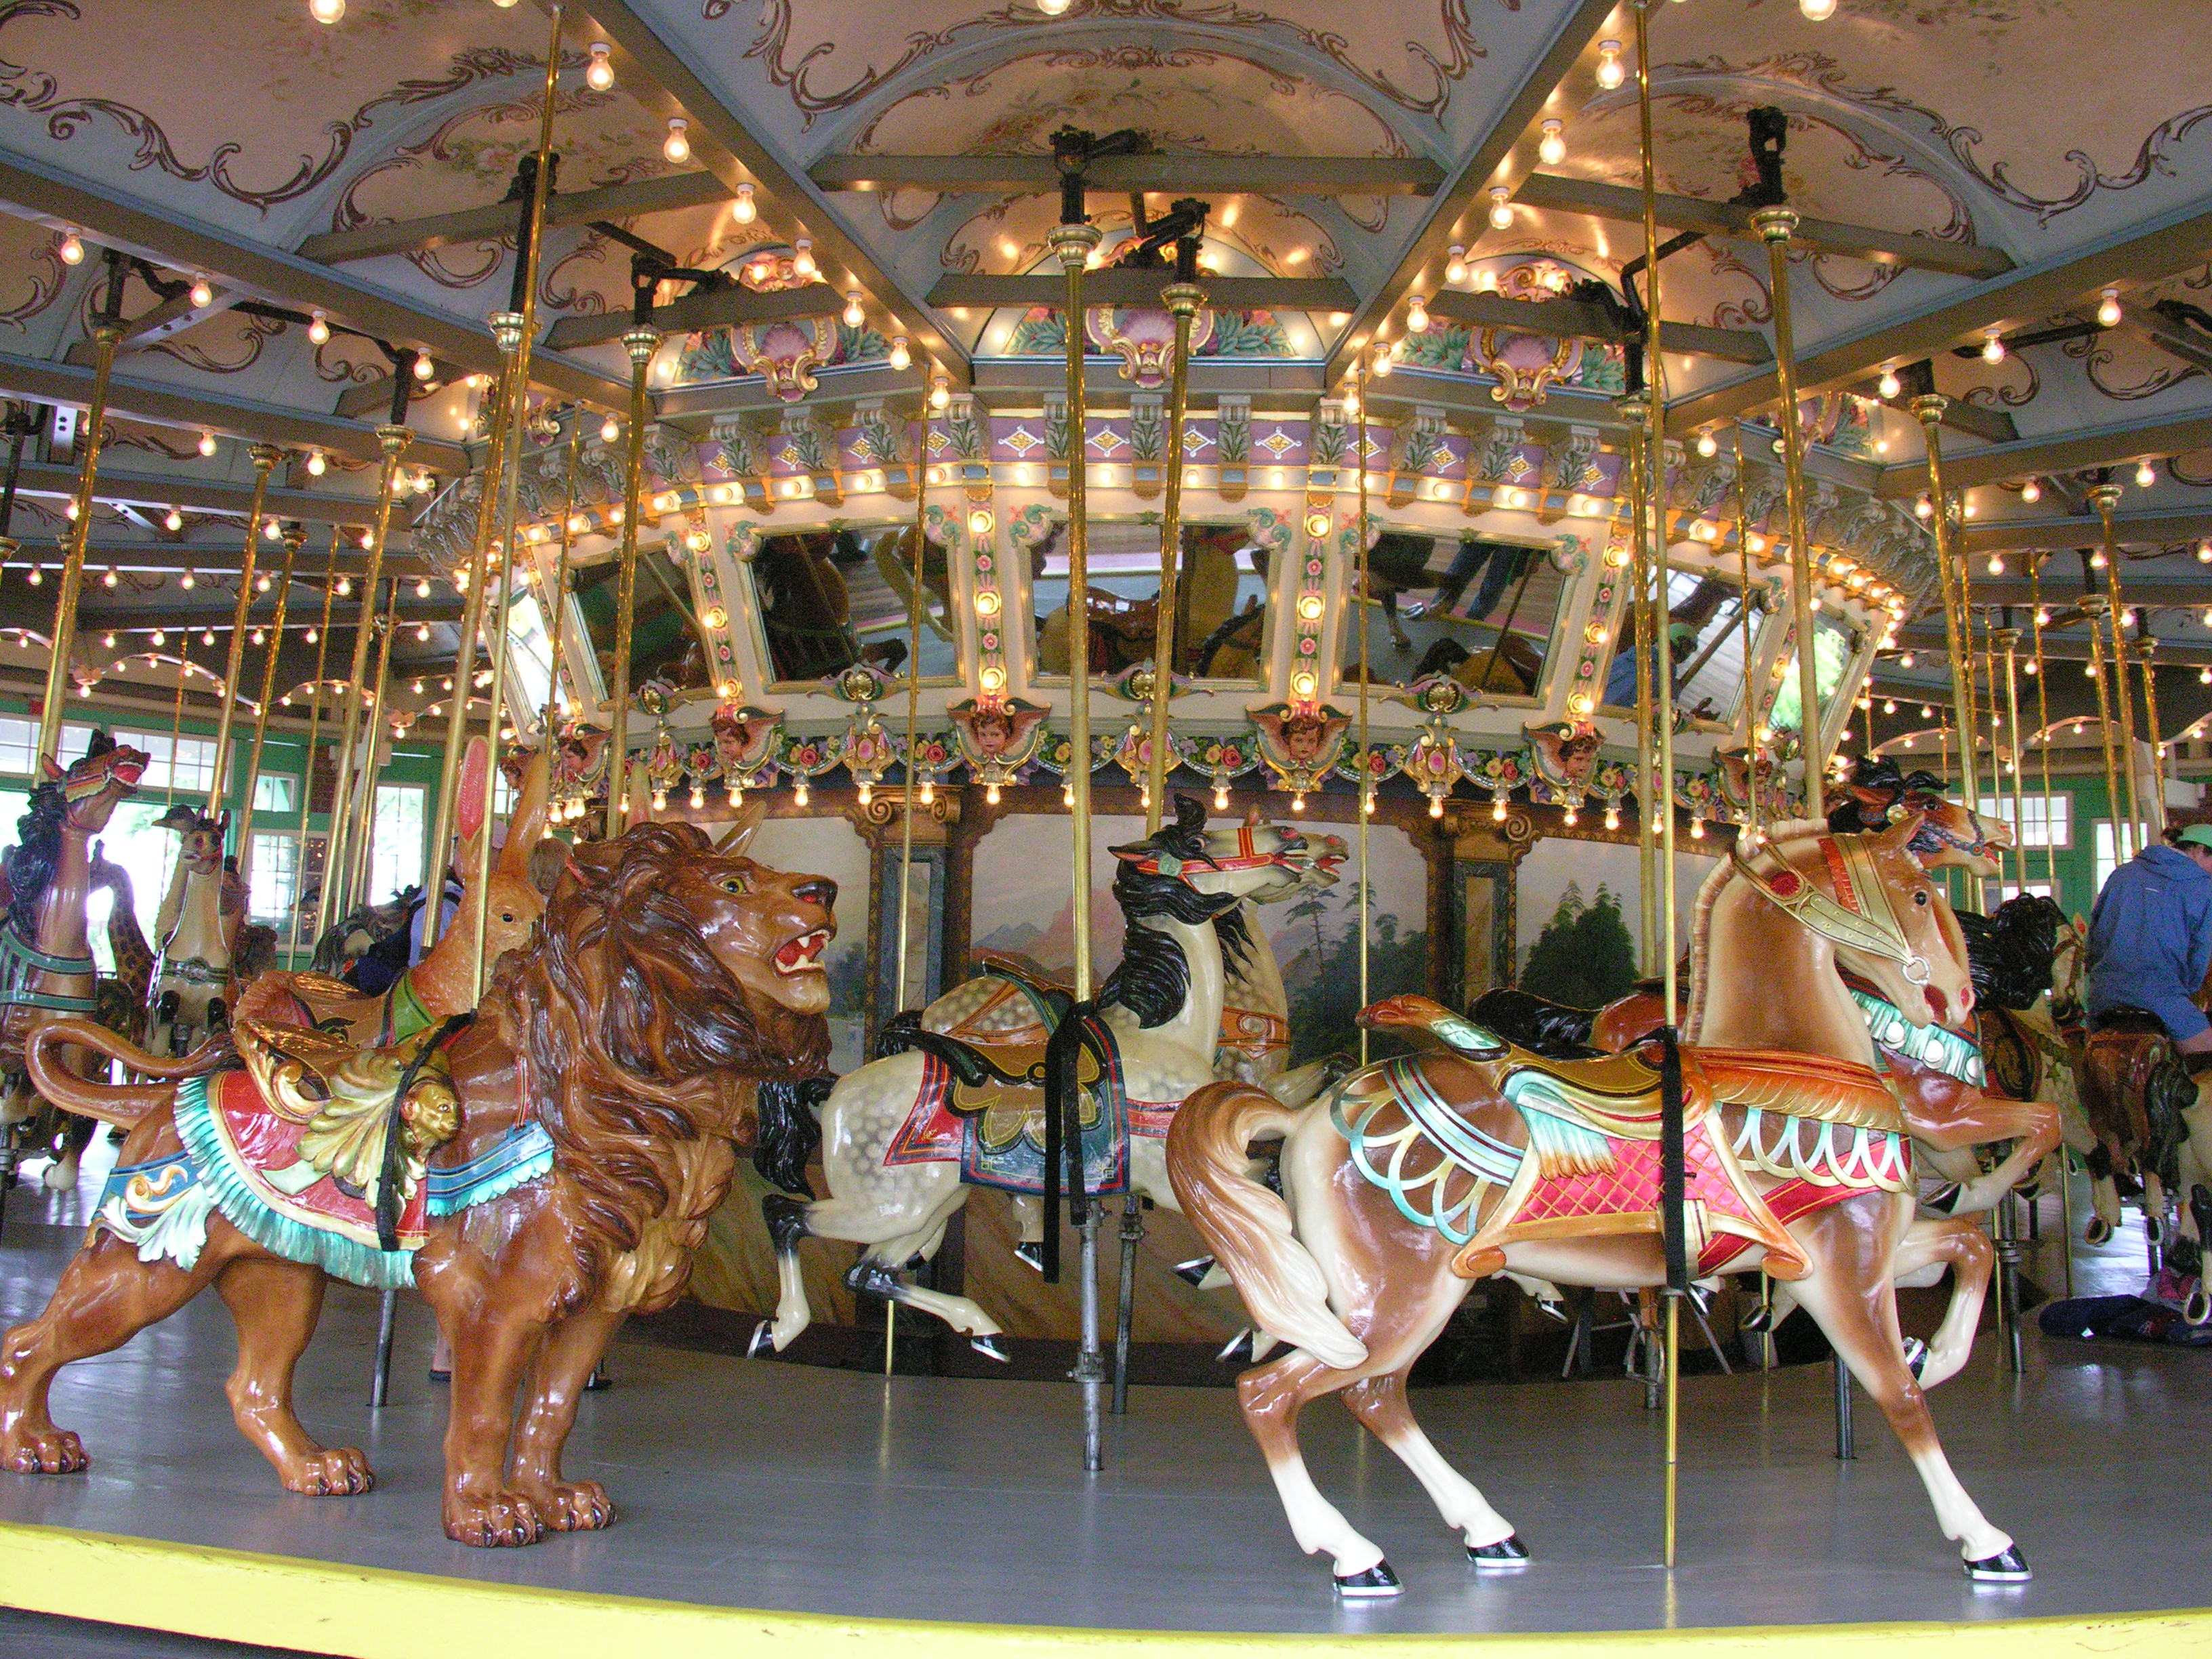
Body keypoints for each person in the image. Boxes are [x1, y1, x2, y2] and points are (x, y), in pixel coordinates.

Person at [2085, 822, 2212, 1057]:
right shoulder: (2201, 885)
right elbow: (2200, 952)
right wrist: (2187, 990)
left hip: (2104, 997)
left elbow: (2095, 937)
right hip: (2161, 996)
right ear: (2198, 849)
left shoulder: (2122, 874)